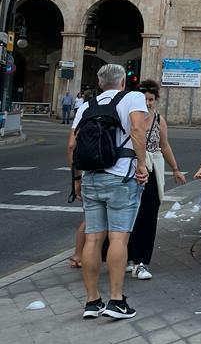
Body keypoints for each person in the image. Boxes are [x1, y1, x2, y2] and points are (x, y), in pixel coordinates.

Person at [70, 63, 149, 320]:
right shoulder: (133, 98)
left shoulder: (86, 106)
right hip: (121, 177)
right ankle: (116, 301)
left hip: (91, 177)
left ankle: (92, 301)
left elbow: (72, 144)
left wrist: (77, 179)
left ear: (100, 83)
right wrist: (141, 164)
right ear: (123, 81)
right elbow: (137, 129)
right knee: (118, 239)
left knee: (93, 239)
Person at [126, 80, 187, 281]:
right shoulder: (128, 118)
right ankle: (128, 257)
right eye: (144, 99)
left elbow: (165, 145)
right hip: (131, 170)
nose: (148, 103)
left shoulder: (158, 120)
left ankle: (141, 261)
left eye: (151, 99)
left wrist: (175, 169)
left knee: (148, 216)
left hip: (152, 172)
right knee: (129, 216)